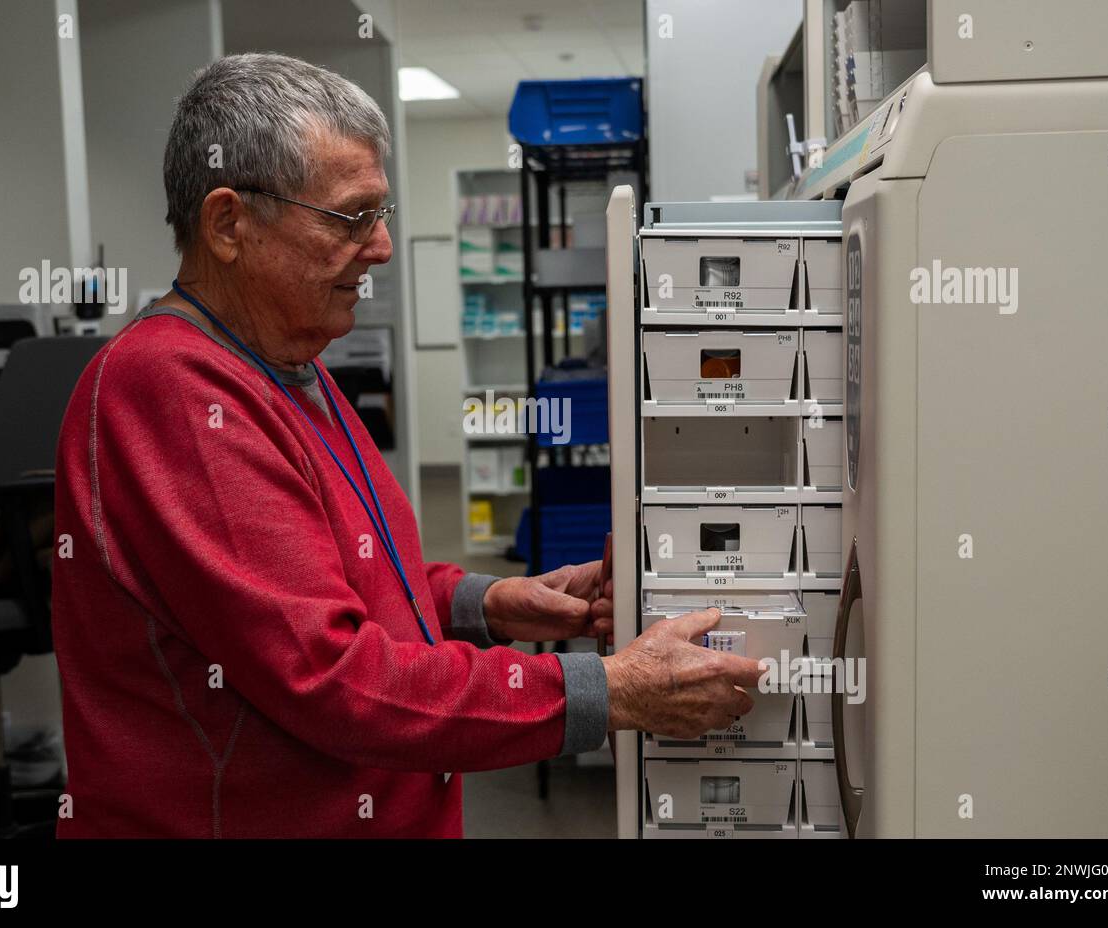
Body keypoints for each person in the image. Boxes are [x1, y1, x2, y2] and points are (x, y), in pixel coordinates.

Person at [52, 52, 763, 838]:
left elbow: (329, 571)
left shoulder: (290, 364)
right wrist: (608, 689)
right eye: (352, 217)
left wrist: (482, 604)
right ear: (229, 224)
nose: (383, 247)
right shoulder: (173, 392)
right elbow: (329, 677)